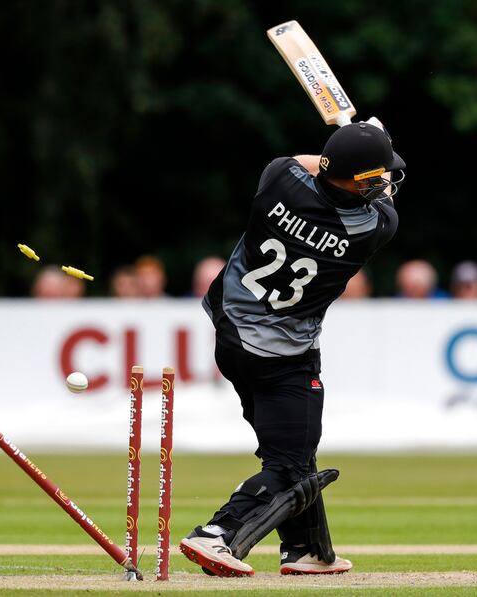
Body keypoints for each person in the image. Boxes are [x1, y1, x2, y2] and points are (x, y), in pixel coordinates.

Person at [180, 121, 404, 577]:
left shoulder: (277, 178)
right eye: (377, 174)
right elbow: (383, 197)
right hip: (284, 356)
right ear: (360, 181)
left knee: (291, 448)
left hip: (230, 336)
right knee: (289, 463)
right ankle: (217, 533)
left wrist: (353, 143)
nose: (385, 180)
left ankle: (306, 550)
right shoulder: (373, 226)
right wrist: (369, 143)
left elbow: (309, 165)